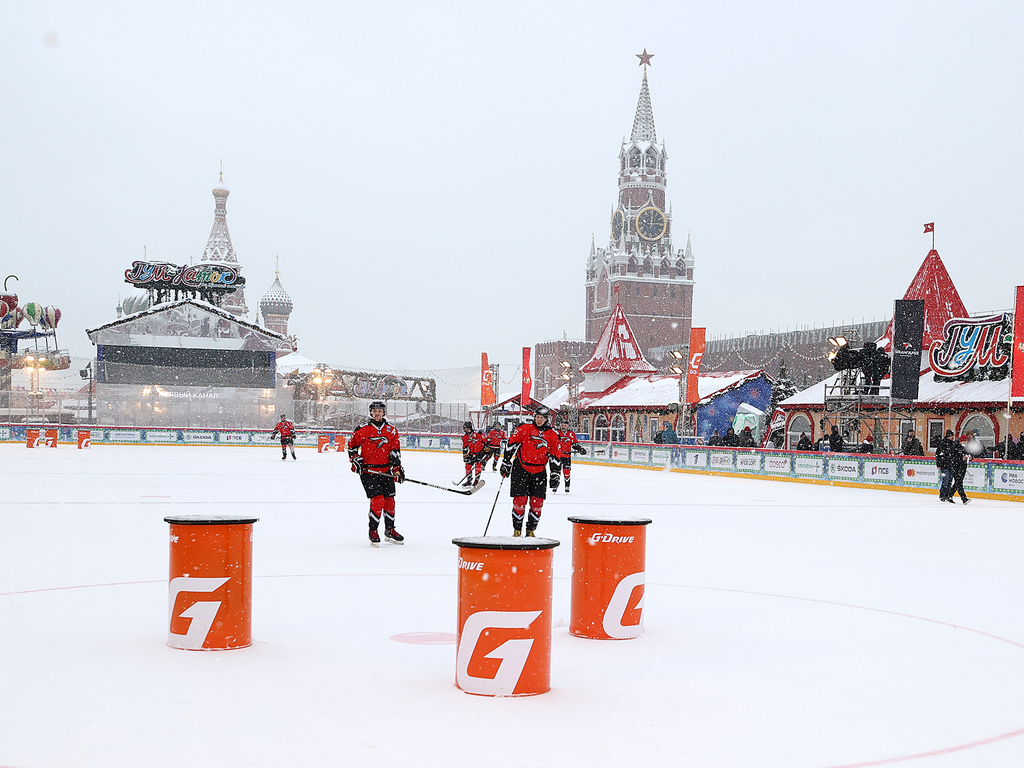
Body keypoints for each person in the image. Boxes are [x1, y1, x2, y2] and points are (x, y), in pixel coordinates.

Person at [348, 401, 406, 546]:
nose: (377, 413)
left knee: (390, 500)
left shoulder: (391, 430)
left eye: (380, 411)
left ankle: (390, 530)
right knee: (378, 499)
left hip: (385, 471)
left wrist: (397, 469)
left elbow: (395, 451)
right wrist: (356, 460)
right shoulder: (363, 429)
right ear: (371, 412)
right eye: (375, 411)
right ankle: (373, 530)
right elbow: (352, 447)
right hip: (369, 471)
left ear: (384, 412)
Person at [500, 406, 563, 536]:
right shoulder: (524, 429)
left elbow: (555, 455)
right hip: (521, 469)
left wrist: (555, 473)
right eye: (537, 417)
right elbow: (510, 444)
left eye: (542, 418)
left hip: (539, 471)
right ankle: (517, 530)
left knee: (537, 503)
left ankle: (531, 530)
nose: (539, 420)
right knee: (520, 501)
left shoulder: (552, 435)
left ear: (547, 419)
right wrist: (506, 462)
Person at [550, 417, 587, 493]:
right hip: (558, 456)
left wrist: (580, 449)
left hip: (567, 457)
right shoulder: (556, 433)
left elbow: (574, 444)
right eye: (562, 425)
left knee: (567, 472)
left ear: (568, 426)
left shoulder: (571, 434)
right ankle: (555, 486)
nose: (563, 427)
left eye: (565, 425)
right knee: (557, 472)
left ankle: (567, 486)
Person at [935, 429, 969, 504]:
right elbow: (938, 454)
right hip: (945, 464)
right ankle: (943, 495)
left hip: (952, 464)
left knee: (950, 480)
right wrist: (939, 464)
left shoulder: (953, 444)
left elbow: (955, 454)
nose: (952, 437)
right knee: (946, 480)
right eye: (951, 436)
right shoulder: (943, 444)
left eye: (953, 436)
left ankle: (947, 495)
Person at [460, 421, 487, 486]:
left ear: (470, 428)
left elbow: (486, 442)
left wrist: (486, 450)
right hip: (471, 453)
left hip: (480, 453)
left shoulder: (479, 434)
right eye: (465, 428)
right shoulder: (465, 437)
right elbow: (465, 447)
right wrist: (465, 455)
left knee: (478, 466)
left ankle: (476, 481)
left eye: (467, 428)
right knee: (468, 466)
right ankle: (469, 480)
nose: (466, 430)